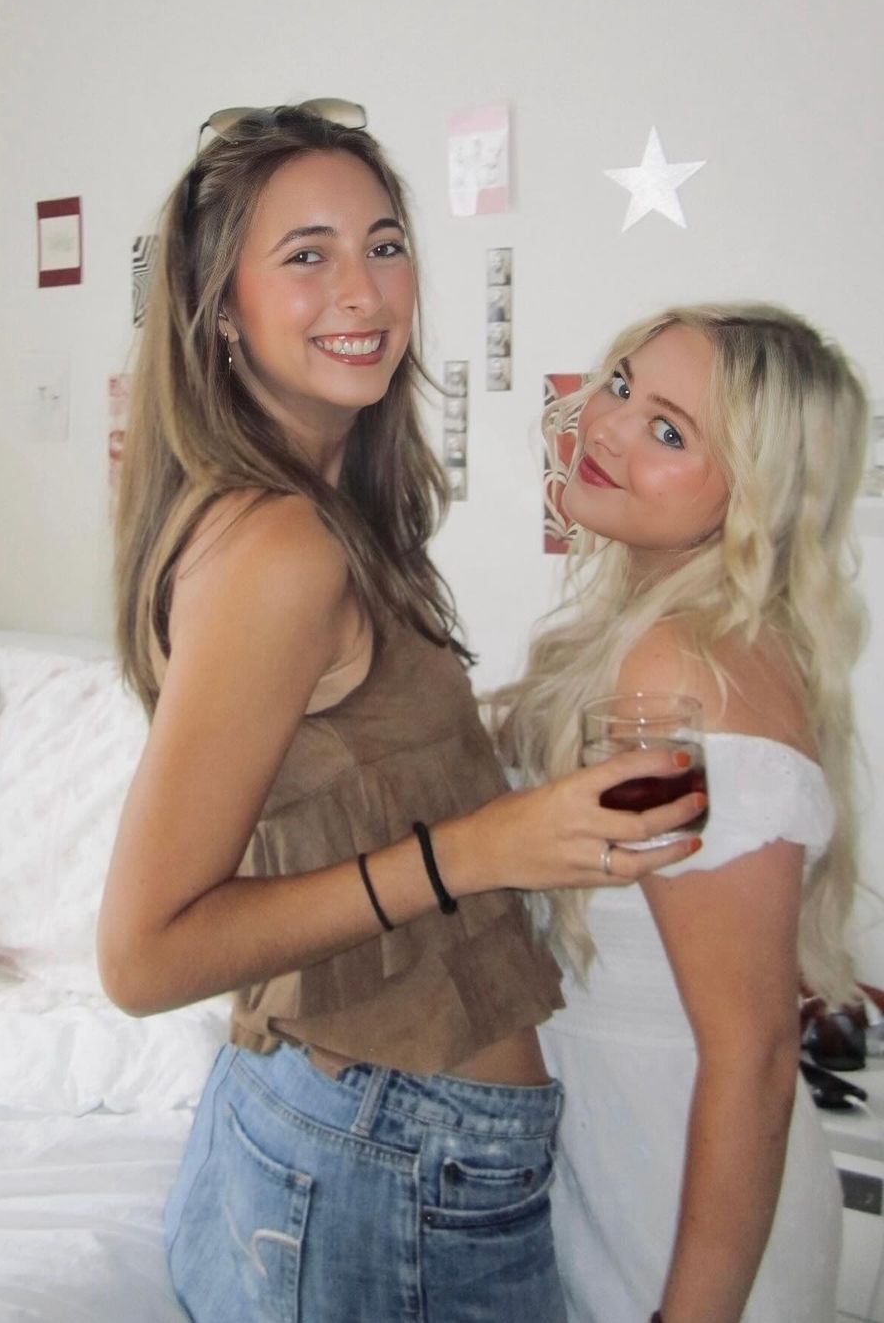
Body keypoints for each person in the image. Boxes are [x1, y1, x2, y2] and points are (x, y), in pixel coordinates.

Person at [97, 102, 703, 1323]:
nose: (363, 291)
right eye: (305, 255)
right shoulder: (281, 547)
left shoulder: (308, 510)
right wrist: (481, 849)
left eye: (383, 244)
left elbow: (338, 770)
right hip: (392, 1161)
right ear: (223, 308)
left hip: (338, 1128)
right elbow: (143, 954)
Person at [496, 303, 868, 1323]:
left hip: (677, 1215)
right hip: (633, 1177)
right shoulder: (655, 637)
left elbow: (752, 1056)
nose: (609, 426)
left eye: (669, 430)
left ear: (753, 498)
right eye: (621, 385)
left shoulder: (683, 669)